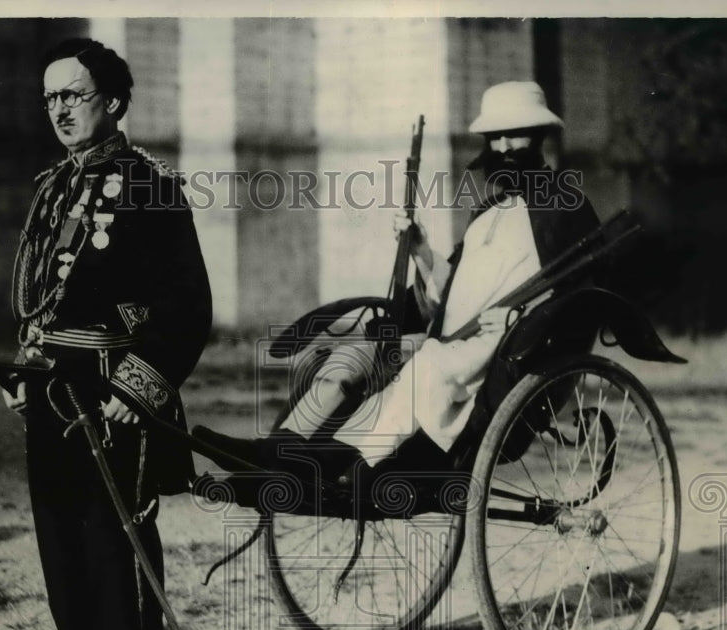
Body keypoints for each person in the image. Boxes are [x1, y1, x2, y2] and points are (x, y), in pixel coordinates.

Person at [198, 81, 598, 484]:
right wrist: (421, 249)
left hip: (505, 353)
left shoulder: (566, 207)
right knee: (356, 355)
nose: (506, 148)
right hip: (452, 339)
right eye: (496, 137)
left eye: (517, 134)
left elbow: (582, 295)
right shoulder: (489, 213)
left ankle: (341, 464)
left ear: (541, 136)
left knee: (426, 365)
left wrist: (523, 318)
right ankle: (277, 449)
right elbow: (452, 296)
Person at [2, 38, 212, 630]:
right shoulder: (55, 186)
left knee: (113, 543)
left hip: (112, 394)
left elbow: (187, 306)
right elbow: (42, 299)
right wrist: (25, 372)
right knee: (62, 546)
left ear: (114, 101)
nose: (58, 108)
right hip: (54, 391)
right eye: (50, 97)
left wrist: (136, 389)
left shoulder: (148, 184)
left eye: (73, 94)